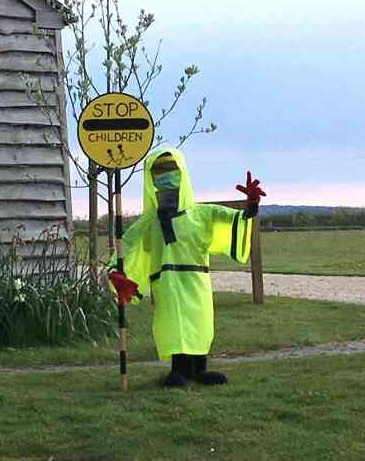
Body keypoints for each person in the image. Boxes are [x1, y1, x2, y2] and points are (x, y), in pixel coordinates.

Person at [108, 148, 265, 387]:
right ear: (150, 178)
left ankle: (199, 369)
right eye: (159, 171)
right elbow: (126, 245)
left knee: (199, 323)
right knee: (173, 325)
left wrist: (251, 207)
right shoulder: (149, 224)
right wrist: (115, 272)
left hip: (195, 282)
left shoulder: (201, 214)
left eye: (171, 169)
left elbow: (234, 220)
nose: (166, 177)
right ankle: (179, 369)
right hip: (167, 285)